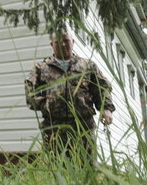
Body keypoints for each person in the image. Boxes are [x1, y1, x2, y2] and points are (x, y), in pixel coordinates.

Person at [25, 28, 114, 164]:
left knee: (87, 168)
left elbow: (102, 87)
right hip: (53, 127)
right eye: (58, 42)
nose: (63, 44)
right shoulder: (41, 68)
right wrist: (47, 105)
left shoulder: (88, 66)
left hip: (84, 126)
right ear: (51, 44)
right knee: (57, 168)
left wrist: (106, 108)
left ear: (73, 42)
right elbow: (30, 93)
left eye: (66, 41)